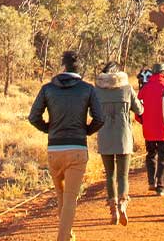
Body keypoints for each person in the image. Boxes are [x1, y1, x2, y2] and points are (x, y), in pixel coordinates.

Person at [28, 51, 106, 241]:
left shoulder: (47, 89)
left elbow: (33, 117)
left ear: (62, 66)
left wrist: (50, 129)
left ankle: (67, 234)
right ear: (80, 68)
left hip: (54, 150)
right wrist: (86, 131)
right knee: (70, 198)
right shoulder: (87, 89)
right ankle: (62, 238)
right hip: (77, 149)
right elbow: (100, 118)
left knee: (61, 196)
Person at [91, 64, 142, 226]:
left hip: (105, 135)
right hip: (124, 136)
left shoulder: (97, 91)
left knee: (110, 174)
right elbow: (140, 110)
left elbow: (93, 113)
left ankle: (112, 207)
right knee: (123, 175)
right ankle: (122, 203)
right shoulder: (127, 89)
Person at [137, 62, 164, 197]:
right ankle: (161, 187)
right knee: (163, 157)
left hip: (149, 129)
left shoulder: (145, 88)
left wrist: (143, 122)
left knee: (151, 154)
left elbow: (138, 107)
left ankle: (151, 182)